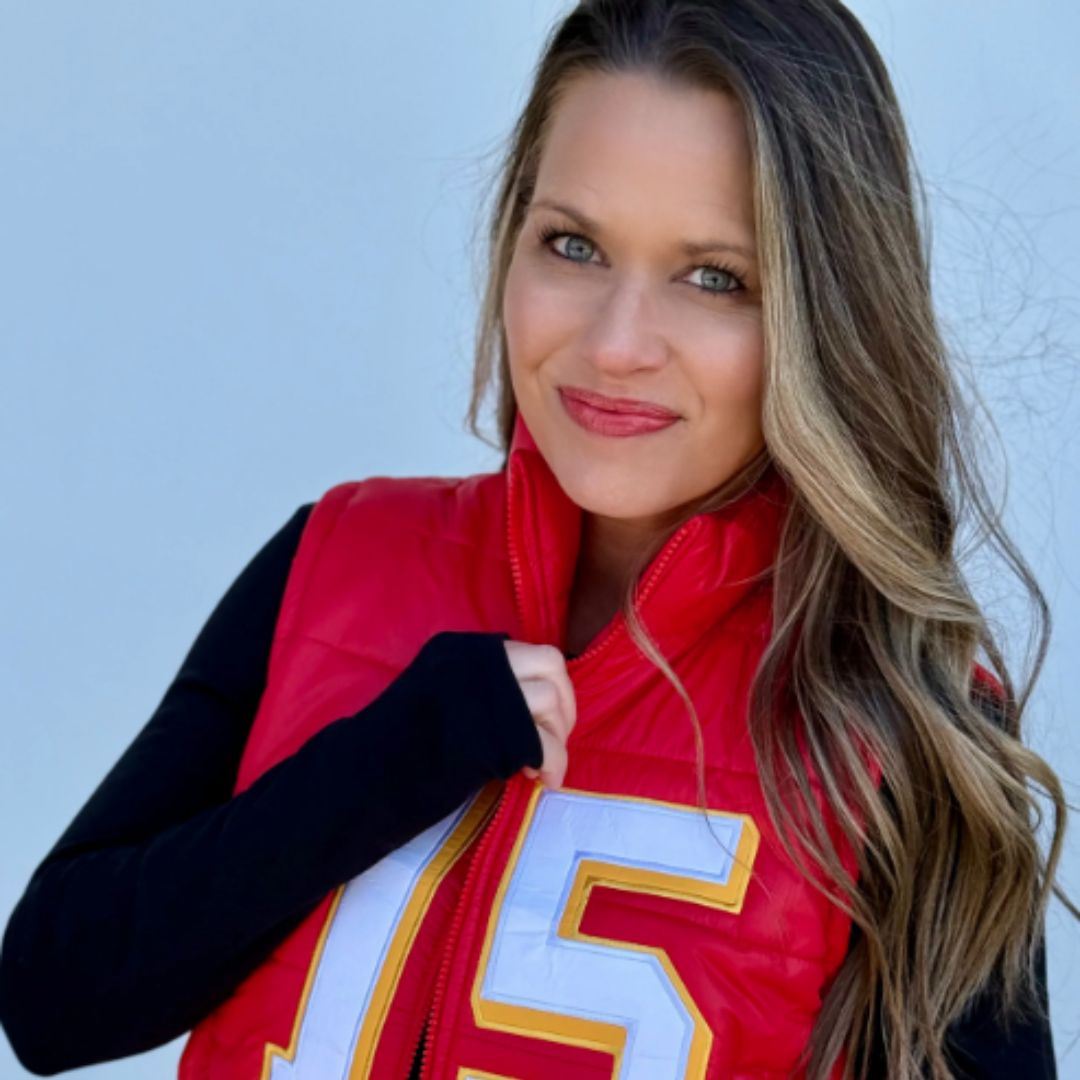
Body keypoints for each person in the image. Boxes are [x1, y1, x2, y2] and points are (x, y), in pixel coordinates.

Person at [0, 1, 1072, 1077]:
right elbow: (52, 999)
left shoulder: (904, 717)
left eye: (715, 277)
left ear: (824, 314)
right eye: (574, 245)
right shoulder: (334, 559)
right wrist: (393, 760)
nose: (614, 344)